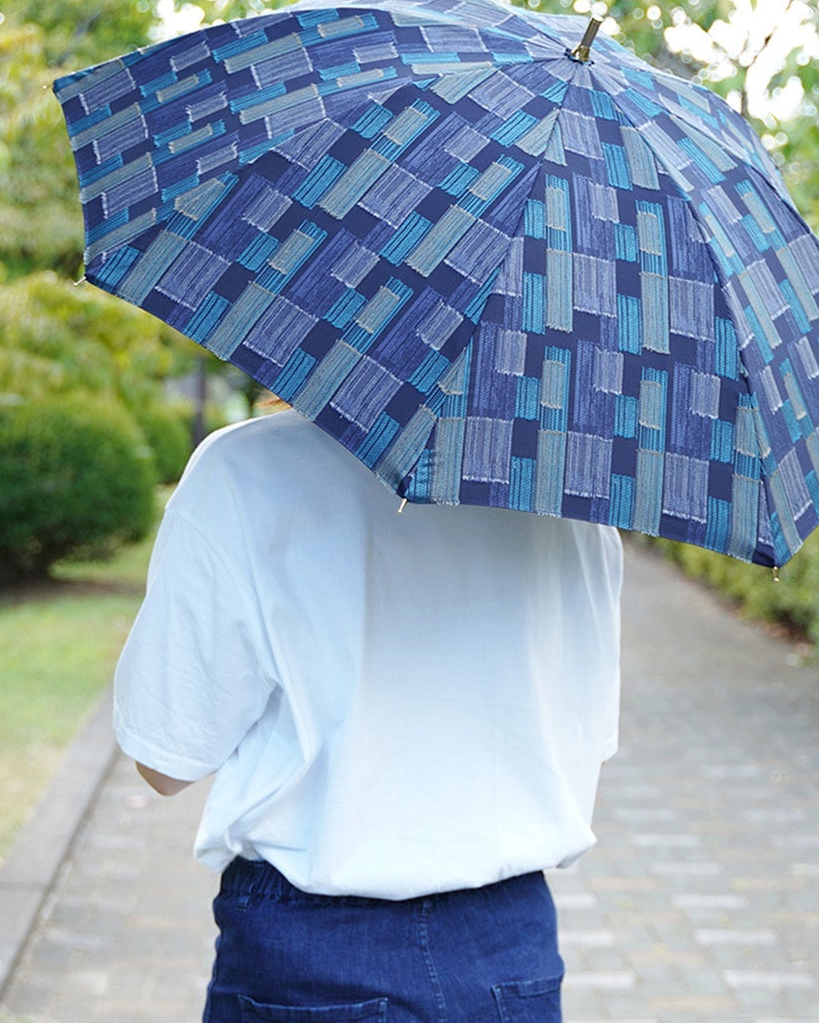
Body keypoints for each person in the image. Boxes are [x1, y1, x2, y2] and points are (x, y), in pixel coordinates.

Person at [113, 402, 623, 1022]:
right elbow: (584, 738)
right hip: (508, 950)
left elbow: (166, 762)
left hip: (315, 944)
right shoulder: (572, 495)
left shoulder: (243, 471)